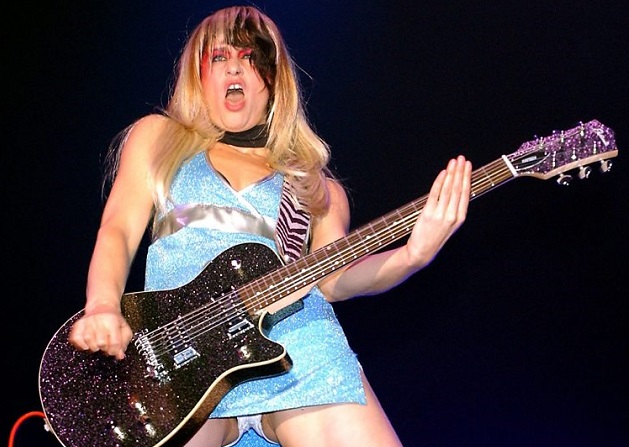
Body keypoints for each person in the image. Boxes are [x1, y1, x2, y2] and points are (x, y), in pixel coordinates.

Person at [68, 5, 472, 447]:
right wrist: (102, 305)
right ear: (198, 77)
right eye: (219, 57)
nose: (234, 68)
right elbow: (118, 230)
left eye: (250, 57)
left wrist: (412, 256)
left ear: (273, 79)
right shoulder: (160, 140)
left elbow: (334, 281)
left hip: (300, 349)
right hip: (182, 357)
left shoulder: (316, 186)